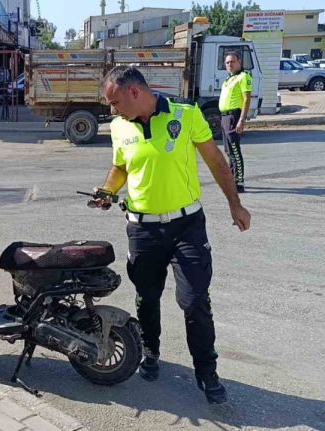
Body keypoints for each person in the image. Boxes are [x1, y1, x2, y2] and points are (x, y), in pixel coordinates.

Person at [92, 65, 251, 404]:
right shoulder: (120, 127)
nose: (112, 110)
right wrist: (108, 191)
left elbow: (216, 162)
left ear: (135, 91)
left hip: (187, 226)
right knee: (147, 298)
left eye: (115, 102)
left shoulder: (186, 114)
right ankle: (150, 351)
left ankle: (207, 374)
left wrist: (235, 205)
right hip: (142, 228)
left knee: (195, 301)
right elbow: (120, 166)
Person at [219, 52, 252, 193]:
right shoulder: (228, 79)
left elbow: (247, 99)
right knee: (228, 150)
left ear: (239, 62)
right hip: (224, 117)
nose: (229, 65)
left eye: (232, 61)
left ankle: (239, 182)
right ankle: (232, 179)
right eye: (227, 62)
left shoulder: (243, 77)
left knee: (235, 150)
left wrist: (242, 120)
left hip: (233, 116)